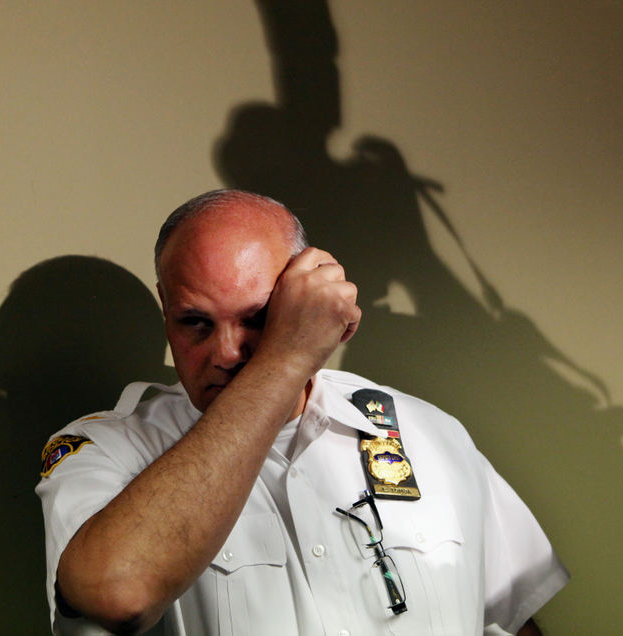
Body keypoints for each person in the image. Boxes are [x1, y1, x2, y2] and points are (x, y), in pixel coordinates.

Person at [37, 189, 568, 635]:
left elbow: (510, 617)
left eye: (258, 319)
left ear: (311, 300)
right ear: (165, 311)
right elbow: (118, 590)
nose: (225, 353)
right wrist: (286, 357)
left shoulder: (428, 434)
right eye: (195, 322)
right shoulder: (109, 450)